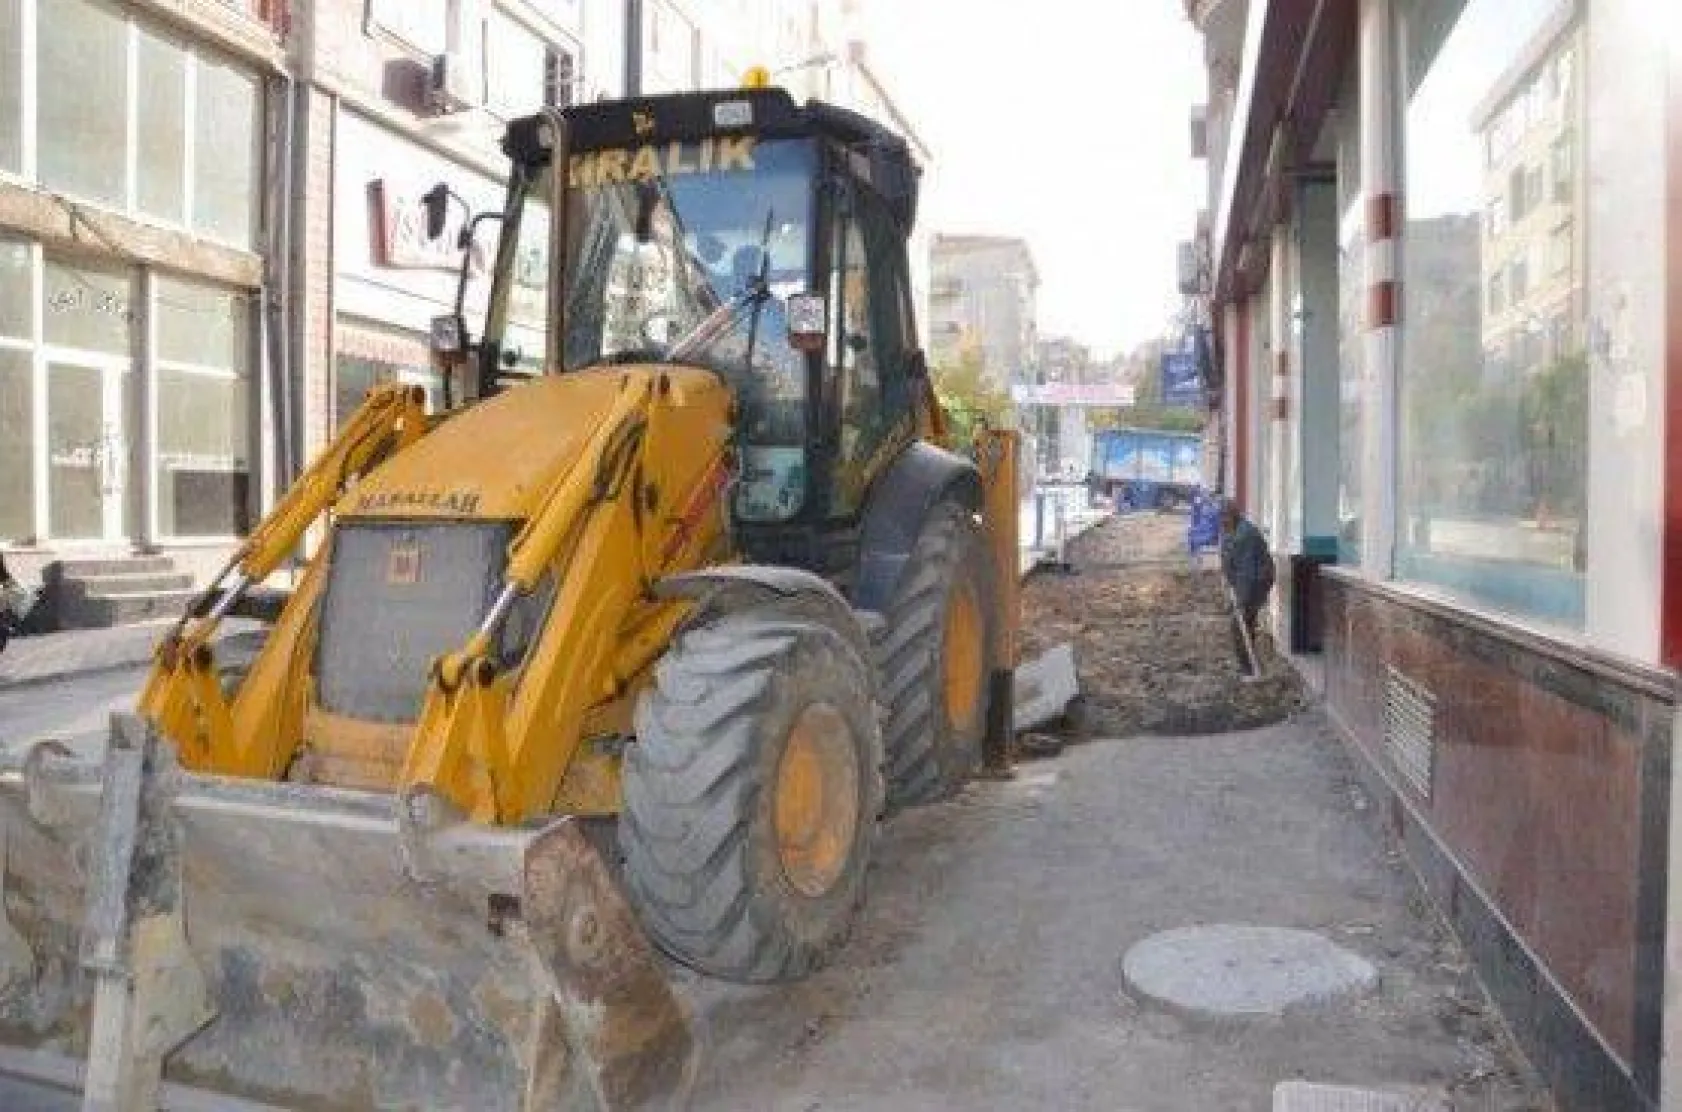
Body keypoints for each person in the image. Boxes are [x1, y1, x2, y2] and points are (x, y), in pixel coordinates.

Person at [1219, 499, 1275, 676]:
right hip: (1244, 581)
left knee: (1240, 624)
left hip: (1257, 582)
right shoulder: (1230, 532)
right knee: (1242, 624)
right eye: (1221, 518)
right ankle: (1250, 666)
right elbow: (1228, 559)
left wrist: (1241, 601)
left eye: (1226, 517)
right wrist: (1229, 583)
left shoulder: (1246, 535)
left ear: (1234, 516)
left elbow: (1248, 572)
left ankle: (1250, 670)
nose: (1222, 522)